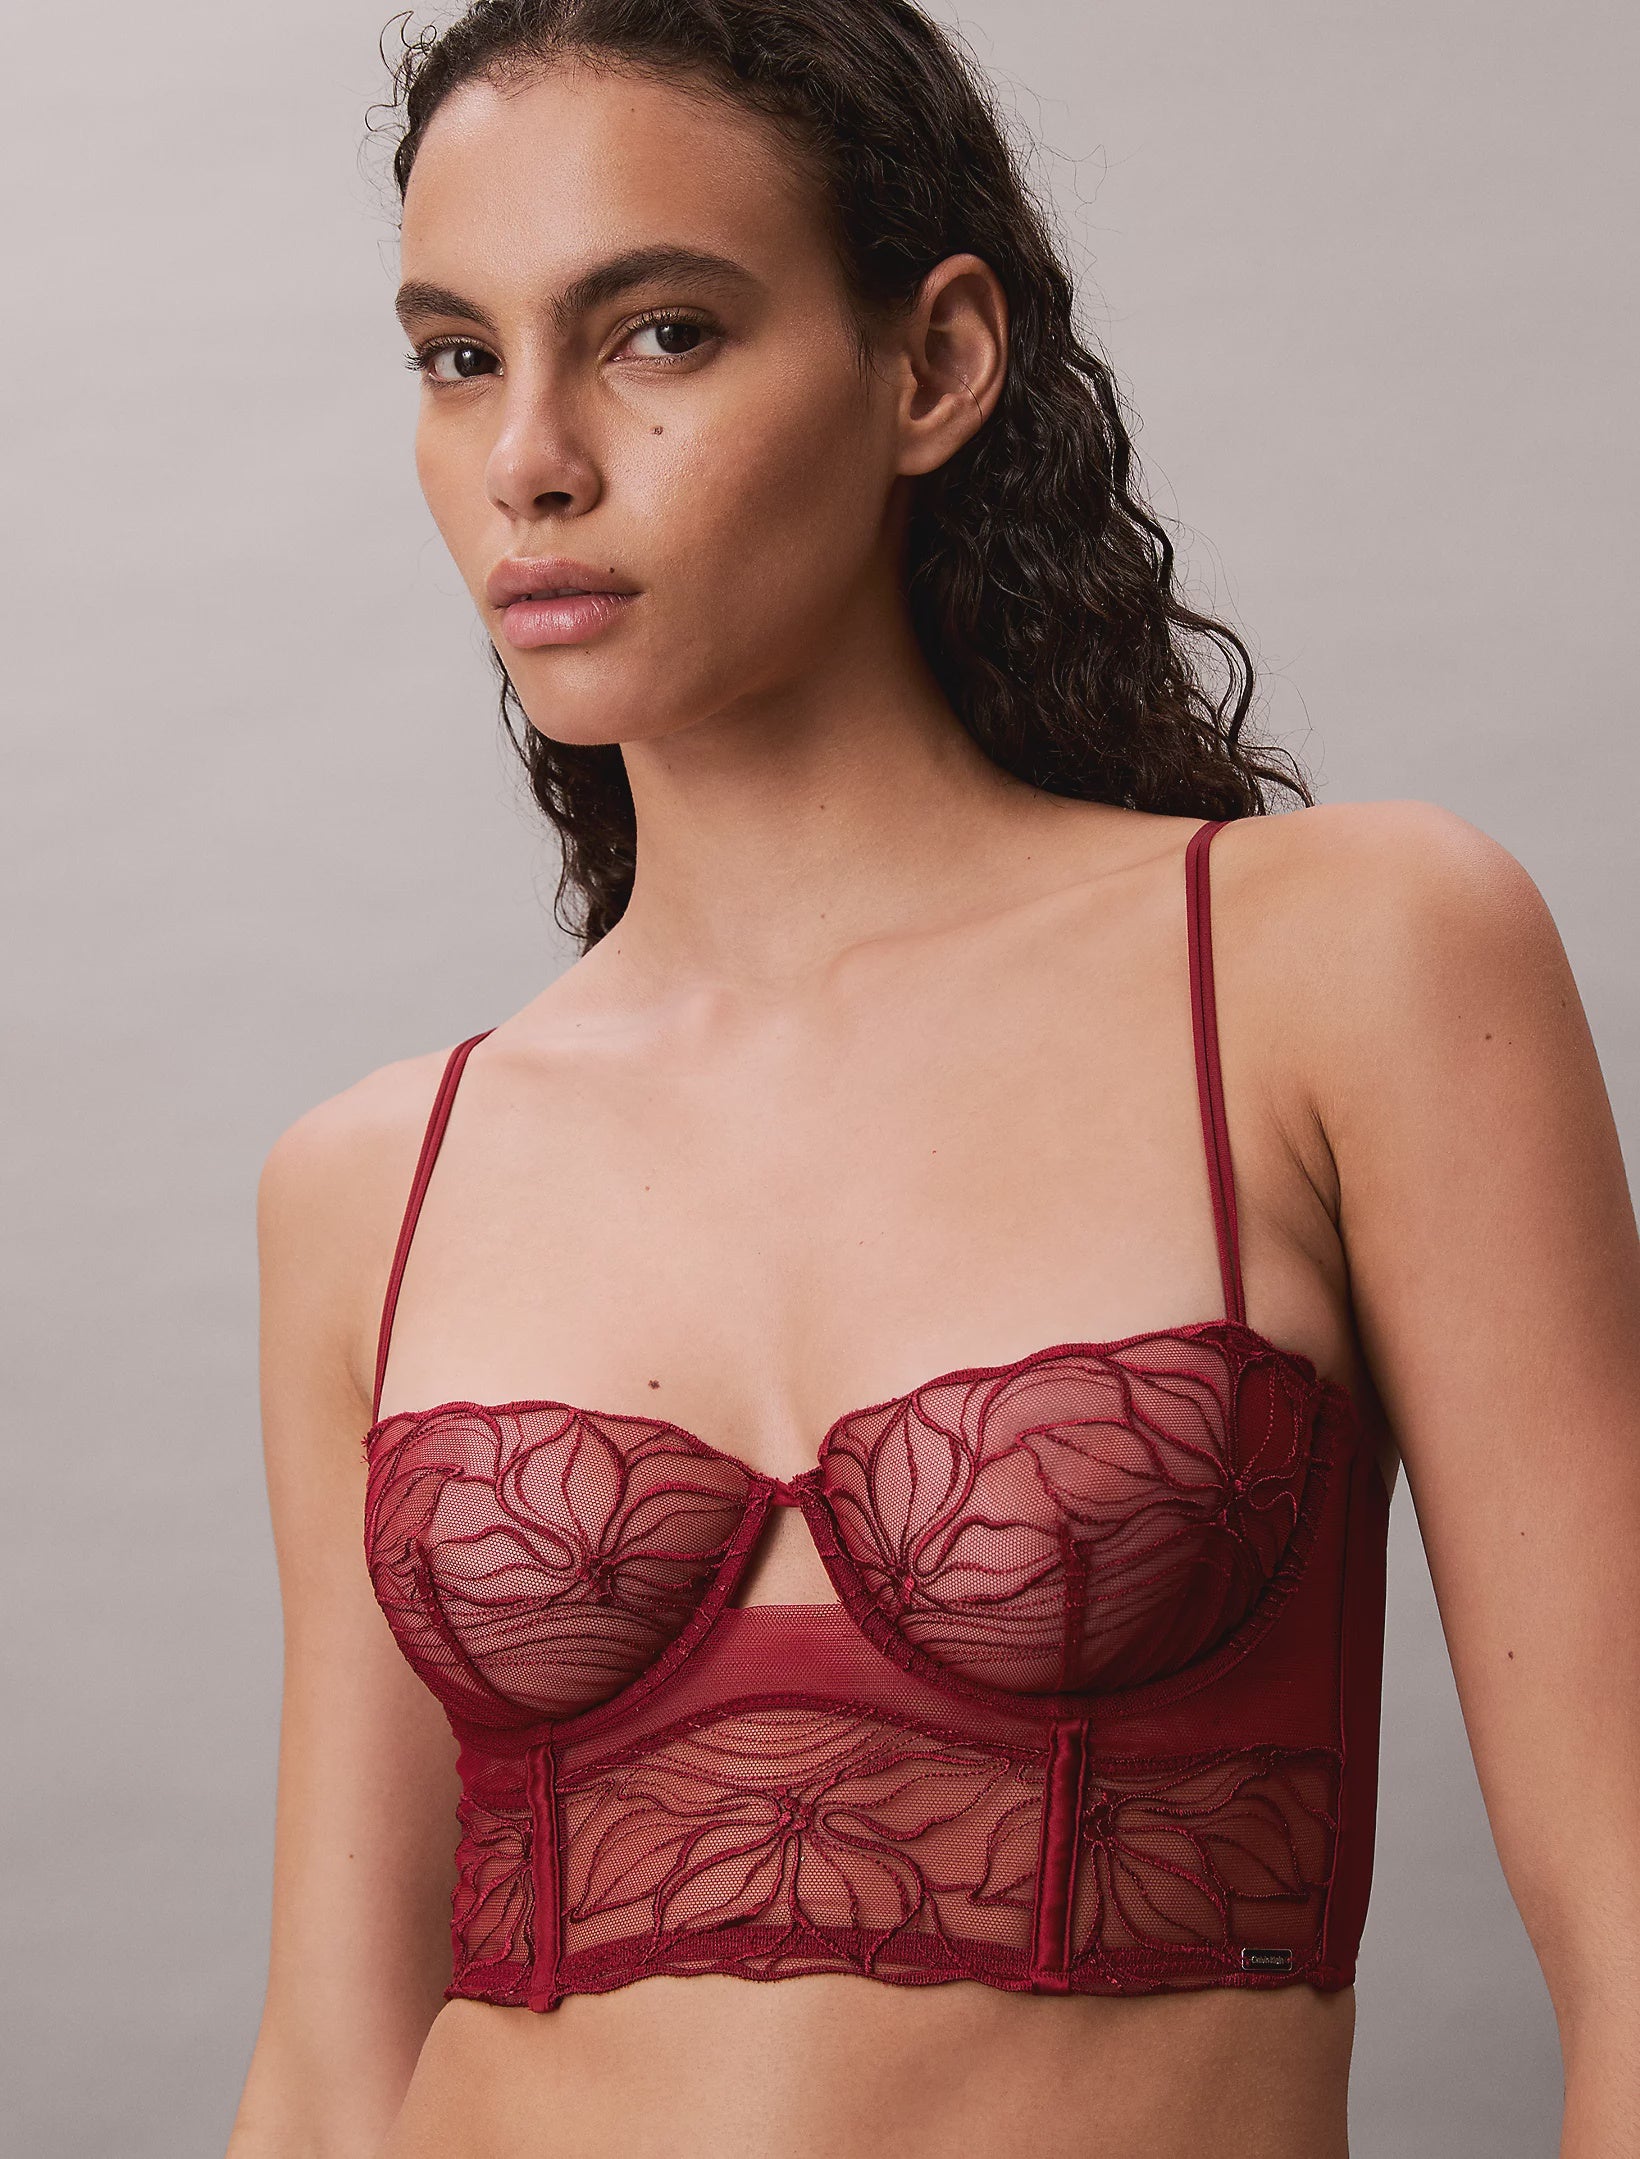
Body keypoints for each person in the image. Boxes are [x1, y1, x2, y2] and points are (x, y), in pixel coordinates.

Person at [226, 4, 1640, 2155]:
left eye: (660, 333)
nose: (530, 456)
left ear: (934, 365)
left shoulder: (1340, 966)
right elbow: (331, 2076)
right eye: (455, 355)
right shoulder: (371, 1185)